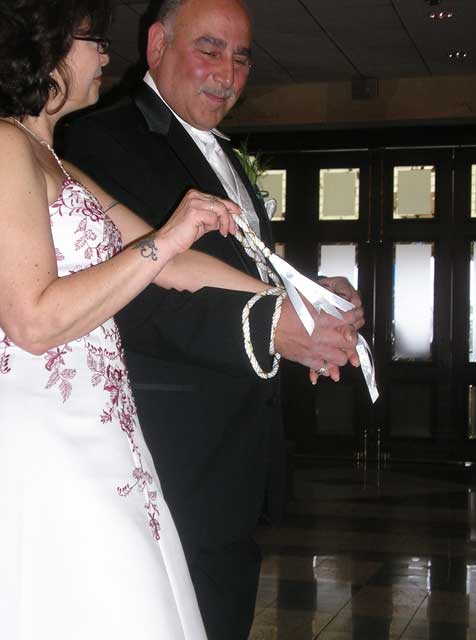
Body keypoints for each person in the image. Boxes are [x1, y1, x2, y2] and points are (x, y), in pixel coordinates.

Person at [64, 0, 364, 637]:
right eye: (209, 50)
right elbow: (126, 296)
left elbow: (230, 268)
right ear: (156, 46)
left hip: (235, 457)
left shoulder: (221, 151)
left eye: (242, 59)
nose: (227, 75)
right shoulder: (98, 138)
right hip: (165, 456)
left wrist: (310, 298)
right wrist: (273, 327)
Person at [0, 1, 292, 638]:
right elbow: (32, 320)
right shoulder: (3, 148)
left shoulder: (56, 162)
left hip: (107, 432)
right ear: (47, 48)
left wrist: (292, 306)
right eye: (94, 41)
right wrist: (165, 240)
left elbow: (175, 266)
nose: (107, 56)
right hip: (50, 434)